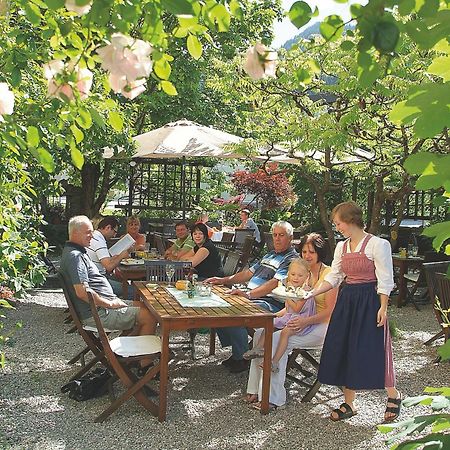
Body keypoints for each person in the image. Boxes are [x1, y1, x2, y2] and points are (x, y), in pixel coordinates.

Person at [306, 202, 400, 423]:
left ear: (350, 220)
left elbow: (386, 278)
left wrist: (383, 307)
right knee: (345, 347)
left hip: (369, 301)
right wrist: (313, 292)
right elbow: (335, 276)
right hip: (347, 301)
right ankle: (349, 402)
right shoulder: (342, 247)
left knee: (374, 348)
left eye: (338, 223)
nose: (337, 227)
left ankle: (394, 395)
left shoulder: (378, 244)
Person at [245, 232, 338, 408]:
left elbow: (330, 312)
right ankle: (255, 390)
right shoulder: (303, 273)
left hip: (323, 326)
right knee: (260, 333)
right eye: (304, 252)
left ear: (320, 252)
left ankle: (272, 398)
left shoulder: (329, 275)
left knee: (277, 339)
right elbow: (291, 306)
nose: (307, 256)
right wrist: (273, 317)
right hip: (300, 321)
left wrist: (305, 321)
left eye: (311, 252)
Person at [60, 215, 157, 371]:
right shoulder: (75, 257)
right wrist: (110, 303)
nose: (92, 236)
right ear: (76, 233)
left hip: (100, 307)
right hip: (98, 312)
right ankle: (144, 365)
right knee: (150, 316)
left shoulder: (74, 252)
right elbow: (83, 292)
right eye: (88, 232)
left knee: (146, 306)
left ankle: (125, 353)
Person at [206, 221, 298, 373]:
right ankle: (239, 350)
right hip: (254, 297)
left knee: (234, 312)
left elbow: (274, 284)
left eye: (281, 235)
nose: (277, 238)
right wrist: (223, 280)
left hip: (271, 303)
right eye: (275, 235)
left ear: (290, 237)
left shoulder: (291, 259)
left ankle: (241, 357)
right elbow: (248, 273)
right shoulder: (270, 254)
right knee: (216, 305)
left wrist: (247, 295)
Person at [243, 258, 316, 373]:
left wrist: (287, 296)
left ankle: (275, 362)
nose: (296, 278)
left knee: (285, 333)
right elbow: (288, 309)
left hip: (302, 319)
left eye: (300, 275)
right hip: (290, 316)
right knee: (270, 323)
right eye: (293, 274)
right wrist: (275, 315)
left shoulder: (305, 291)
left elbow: (297, 309)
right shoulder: (291, 288)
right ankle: (258, 348)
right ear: (288, 275)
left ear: (307, 276)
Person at [86, 216, 131, 297]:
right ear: (108, 227)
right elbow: (109, 267)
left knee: (125, 282)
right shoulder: (99, 241)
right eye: (114, 232)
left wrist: (114, 258)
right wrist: (121, 256)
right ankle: (123, 307)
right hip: (97, 281)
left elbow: (104, 261)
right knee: (133, 290)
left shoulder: (95, 236)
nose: (114, 235)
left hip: (92, 278)